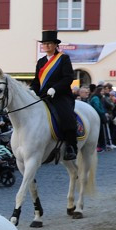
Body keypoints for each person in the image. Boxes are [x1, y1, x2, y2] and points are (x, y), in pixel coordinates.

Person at [31, 30, 78, 160]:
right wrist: (32, 91)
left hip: (60, 95)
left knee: (66, 116)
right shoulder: (40, 61)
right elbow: (36, 81)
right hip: (43, 96)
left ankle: (71, 146)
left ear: (55, 45)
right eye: (44, 44)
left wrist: (55, 88)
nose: (46, 46)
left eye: (49, 43)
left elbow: (68, 78)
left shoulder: (63, 58)